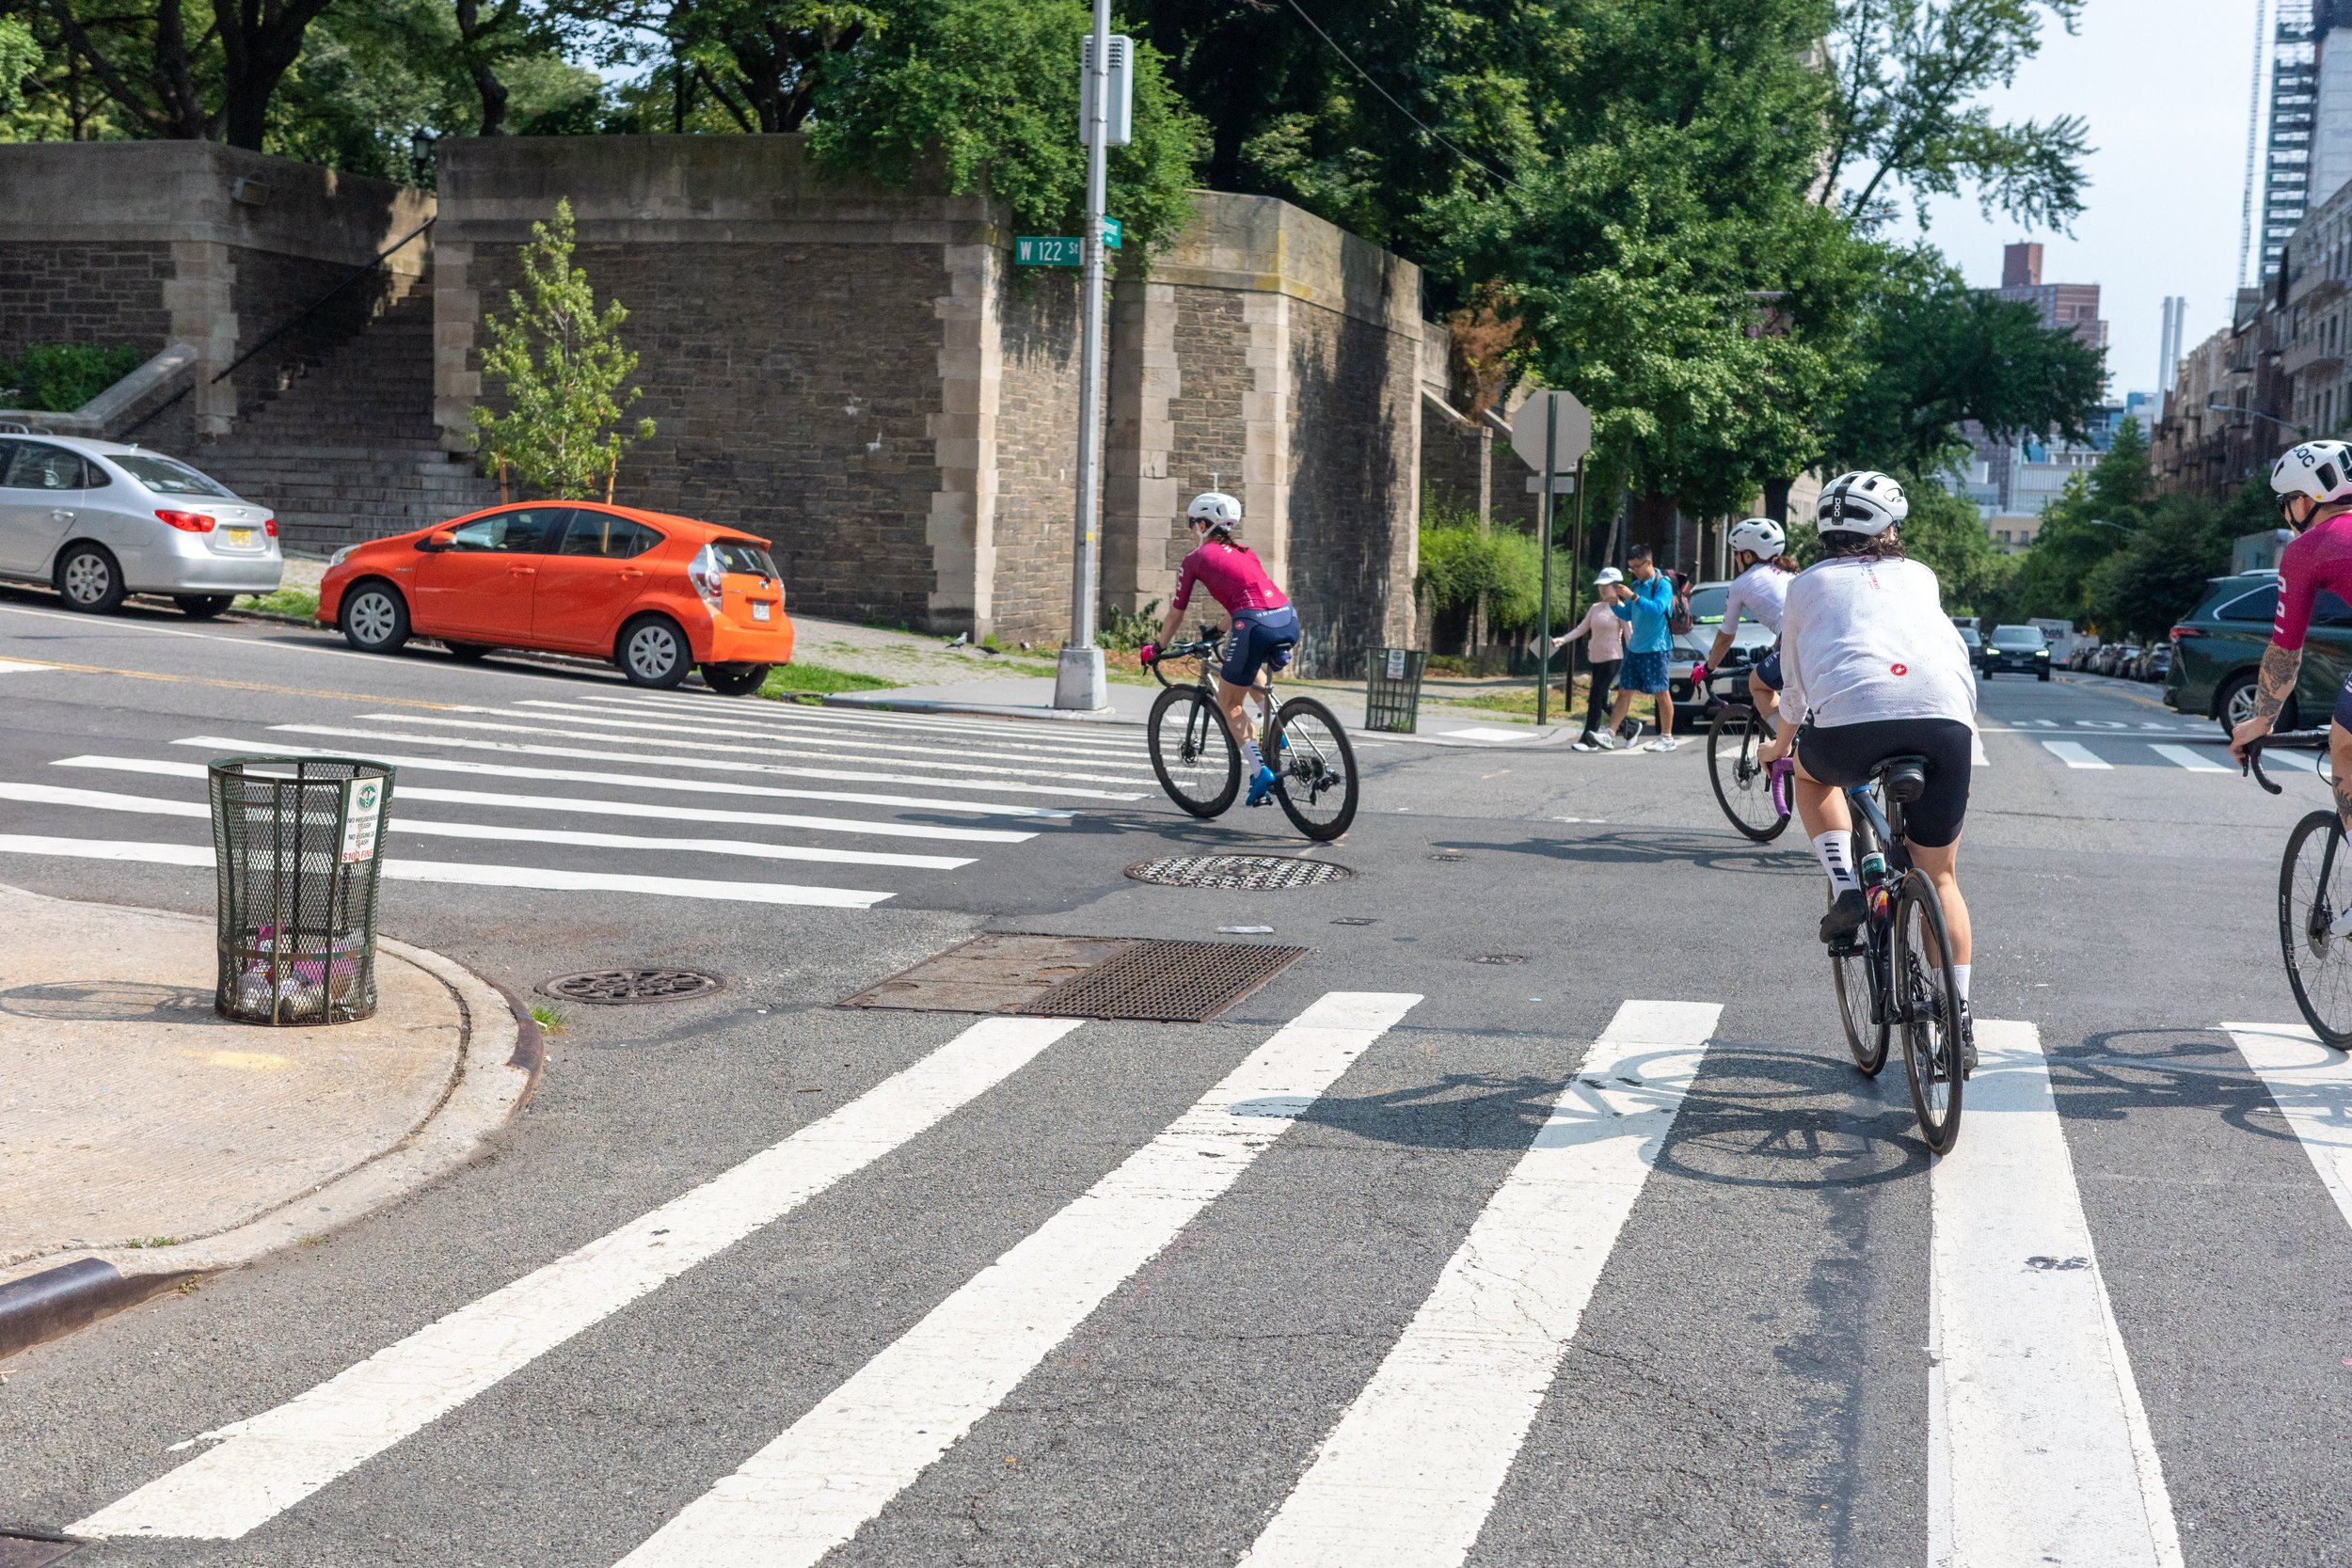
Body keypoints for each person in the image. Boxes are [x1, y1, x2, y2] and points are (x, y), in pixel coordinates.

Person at [1782, 470, 1979, 1061]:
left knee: (1812, 774)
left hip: (1848, 726)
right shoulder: (1920, 575)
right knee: (1940, 877)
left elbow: (1795, 689)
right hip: (1944, 720)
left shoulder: (1804, 585)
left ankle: (1846, 884)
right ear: (1890, 528)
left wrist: (1779, 742)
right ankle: (1958, 1020)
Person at [1140, 491, 1301, 807]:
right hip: (1286, 618)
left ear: (1203, 524)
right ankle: (1276, 726)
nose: (1191, 530)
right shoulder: (1245, 552)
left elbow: (1176, 614)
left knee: (1229, 702)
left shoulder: (1195, 560)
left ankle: (1260, 772)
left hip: (1253, 624)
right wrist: (1217, 630)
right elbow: (1246, 599)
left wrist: (1156, 648)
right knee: (1239, 663)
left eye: (1191, 524)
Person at [2232, 438, 2352, 843]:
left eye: (2285, 502)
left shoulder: (2308, 548)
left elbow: (2285, 650)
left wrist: (2262, 721)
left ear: (2304, 502)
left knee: (2345, 742)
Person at [1692, 518, 1801, 795]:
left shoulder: (1741, 583)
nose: (1736, 559)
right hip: (1813, 641)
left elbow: (1726, 635)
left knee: (1757, 682)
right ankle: (1802, 732)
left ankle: (1789, 741)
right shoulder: (1787, 573)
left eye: (1736, 553)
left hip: (1796, 644)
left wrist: (1708, 667)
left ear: (1748, 555)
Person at [1603, 545, 1678, 752]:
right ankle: (1610, 734)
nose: (1634, 571)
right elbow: (1628, 614)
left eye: (1637, 566)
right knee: (1625, 691)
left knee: (1661, 693)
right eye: (1631, 568)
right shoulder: (1636, 585)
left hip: (1657, 648)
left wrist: (1632, 596)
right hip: (1635, 648)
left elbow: (1656, 609)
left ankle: (1667, 737)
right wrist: (1614, 602)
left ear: (1649, 562)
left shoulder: (1662, 584)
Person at [1552, 567, 1631, 751]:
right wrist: (1562, 639)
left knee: (1595, 696)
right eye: (1600, 586)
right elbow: (1581, 629)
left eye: (1606, 585)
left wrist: (1633, 661)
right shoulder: (1595, 608)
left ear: (1616, 587)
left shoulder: (1621, 609)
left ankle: (1588, 740)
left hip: (1613, 658)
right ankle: (1631, 727)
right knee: (1602, 700)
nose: (1602, 589)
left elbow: (1630, 636)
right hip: (1596, 658)